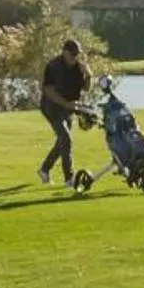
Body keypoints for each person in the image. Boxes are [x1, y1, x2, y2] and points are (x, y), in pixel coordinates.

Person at [38, 38, 91, 187]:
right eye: (72, 54)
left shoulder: (78, 68)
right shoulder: (53, 67)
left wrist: (88, 75)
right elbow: (48, 91)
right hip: (51, 107)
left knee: (62, 141)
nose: (75, 57)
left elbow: (86, 88)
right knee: (66, 139)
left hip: (68, 108)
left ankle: (44, 169)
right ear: (64, 52)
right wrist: (66, 104)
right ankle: (69, 178)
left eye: (77, 54)